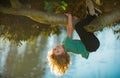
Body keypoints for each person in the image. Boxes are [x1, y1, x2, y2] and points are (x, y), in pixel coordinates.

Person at [47, 8, 101, 76]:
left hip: (92, 45)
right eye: (58, 51)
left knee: (80, 27)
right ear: (63, 54)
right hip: (91, 45)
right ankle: (94, 15)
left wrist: (72, 20)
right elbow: (70, 30)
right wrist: (69, 16)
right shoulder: (67, 45)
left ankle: (90, 16)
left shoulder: (64, 44)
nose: (57, 48)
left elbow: (70, 28)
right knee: (78, 27)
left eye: (55, 49)